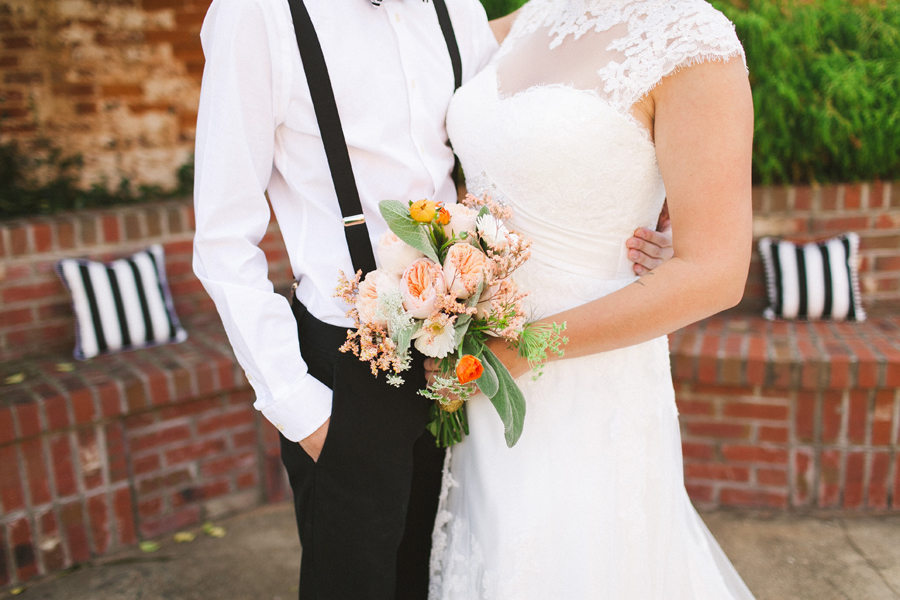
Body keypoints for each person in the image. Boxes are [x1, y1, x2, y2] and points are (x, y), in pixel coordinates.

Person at [192, 0, 673, 598]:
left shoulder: (455, 8)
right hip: (348, 368)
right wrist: (302, 412)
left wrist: (644, 201)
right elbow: (220, 238)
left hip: (459, 357)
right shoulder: (258, 14)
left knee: (441, 572)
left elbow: (523, 131)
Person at [427, 0, 756, 598]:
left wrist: (519, 348)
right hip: (475, 365)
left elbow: (716, 272)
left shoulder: (693, 40)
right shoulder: (527, 17)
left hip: (587, 382)